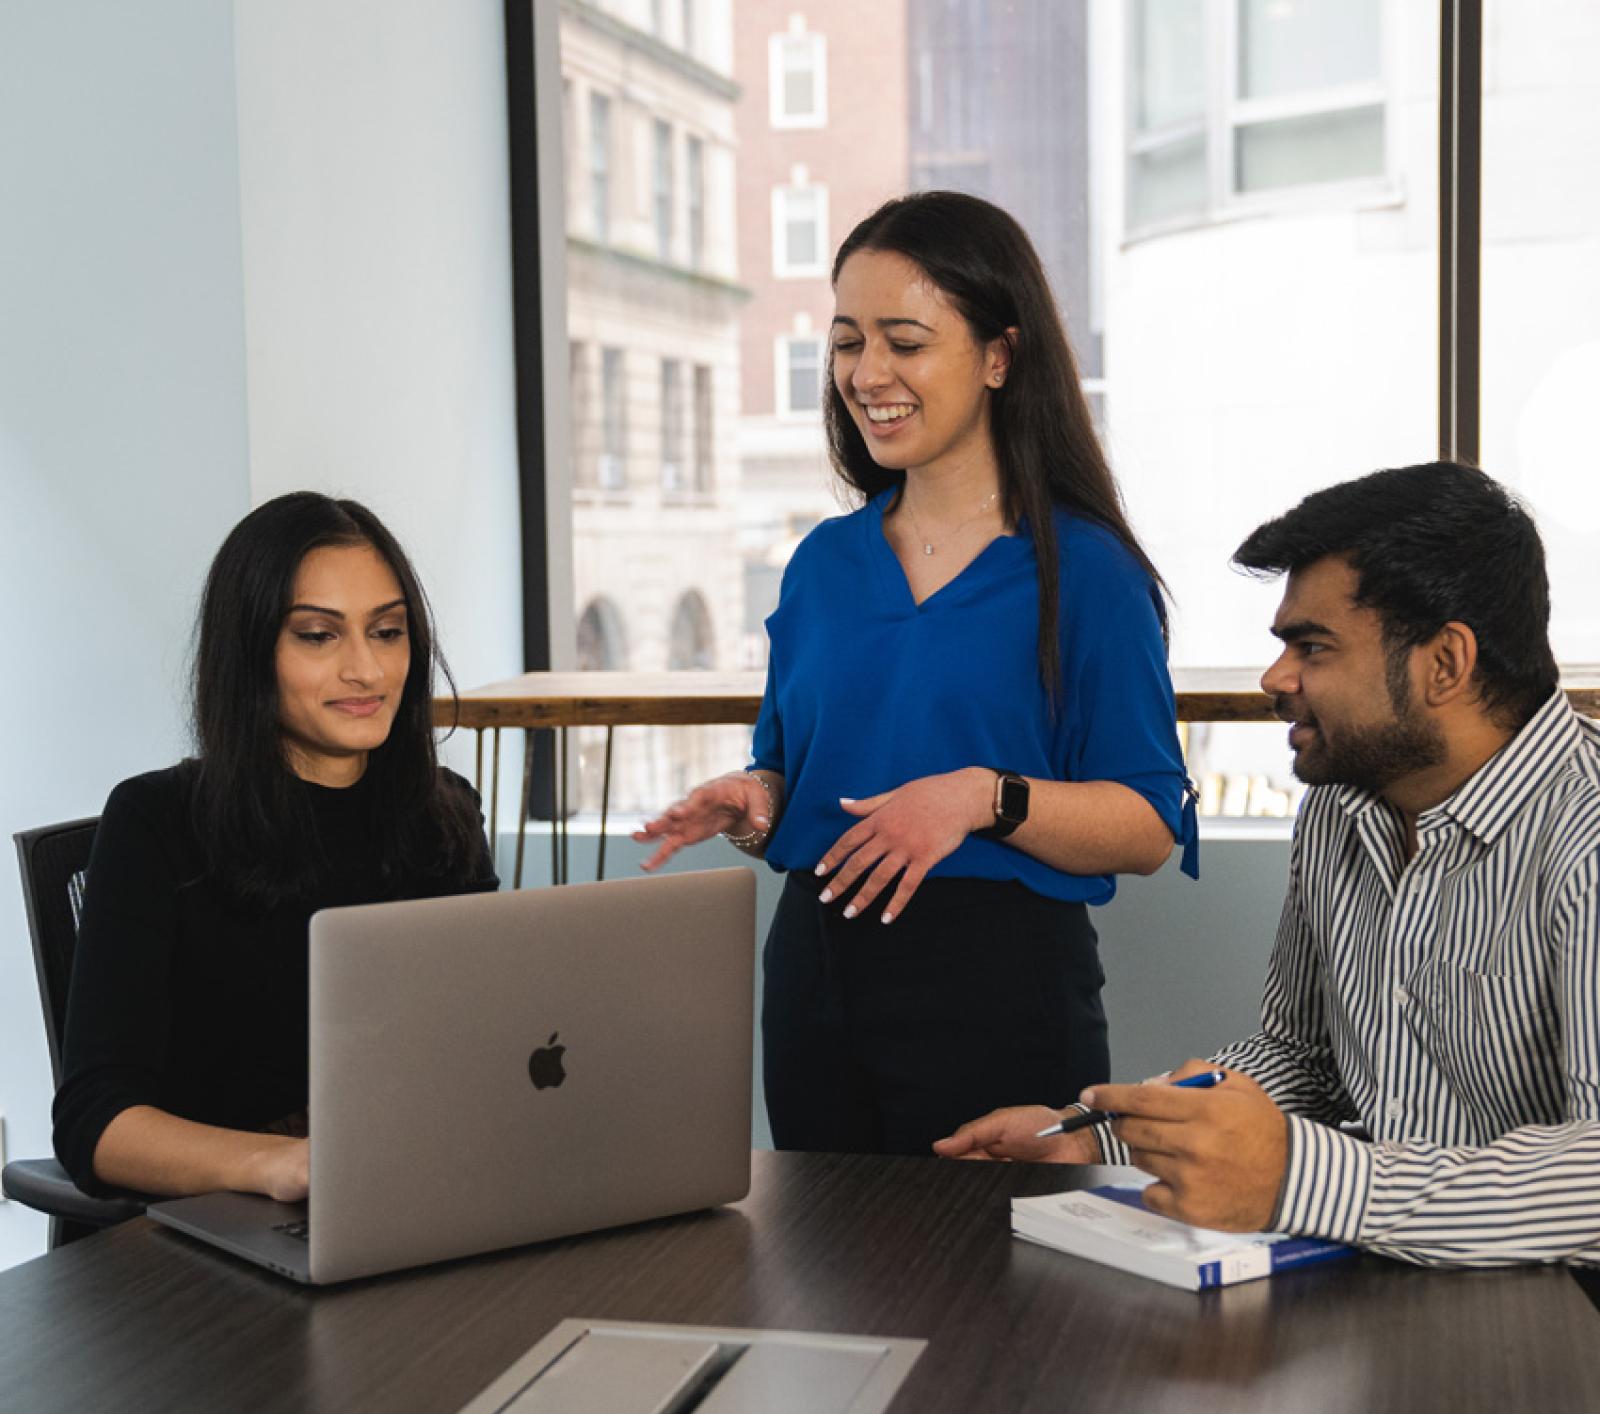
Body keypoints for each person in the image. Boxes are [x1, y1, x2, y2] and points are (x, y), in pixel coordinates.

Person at [634, 192, 1197, 1157]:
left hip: (1000, 992)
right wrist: (756, 797)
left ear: (999, 356)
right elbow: (791, 767)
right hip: (816, 980)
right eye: (848, 342)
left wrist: (982, 798)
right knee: (825, 1283)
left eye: (905, 340)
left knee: (1000, 1294)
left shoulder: (1089, 572)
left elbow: (1148, 826)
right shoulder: (819, 566)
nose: (867, 374)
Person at [937, 461, 1600, 1269]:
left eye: (1312, 646)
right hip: (1388, 1293)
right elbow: (1301, 1058)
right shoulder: (1341, 806)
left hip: (1560, 1321)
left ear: (1445, 664)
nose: (1275, 679)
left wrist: (1303, 1178)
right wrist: (1099, 1139)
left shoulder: (1585, 836)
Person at [52, 492, 497, 1204]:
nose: (367, 671)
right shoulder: (156, 820)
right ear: (251, 650)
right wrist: (283, 1165)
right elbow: (95, 1123)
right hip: (226, 1224)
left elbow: (482, 1045)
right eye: (319, 636)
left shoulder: (442, 813)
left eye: (387, 632)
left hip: (413, 1191)